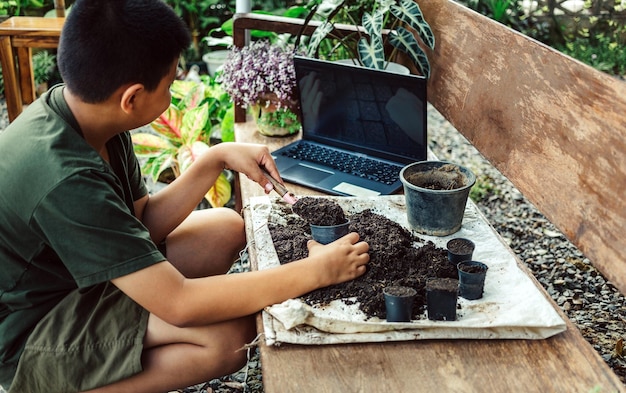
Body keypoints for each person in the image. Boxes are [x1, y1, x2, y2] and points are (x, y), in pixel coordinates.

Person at [0, 1, 370, 392]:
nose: (175, 91)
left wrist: (216, 158)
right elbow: (179, 302)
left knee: (225, 226)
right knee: (228, 338)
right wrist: (316, 271)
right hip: (30, 330)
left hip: (78, 281)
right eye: (171, 83)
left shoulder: (90, 114)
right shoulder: (65, 177)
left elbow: (141, 222)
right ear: (133, 97)